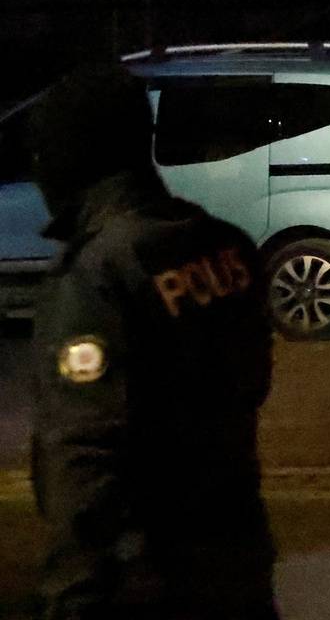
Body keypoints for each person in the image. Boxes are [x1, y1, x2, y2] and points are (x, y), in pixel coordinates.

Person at [29, 64, 278, 618]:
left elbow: (84, 454)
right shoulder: (222, 244)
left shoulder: (97, 274)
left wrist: (75, 594)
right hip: (236, 550)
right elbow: (252, 383)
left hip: (149, 579)